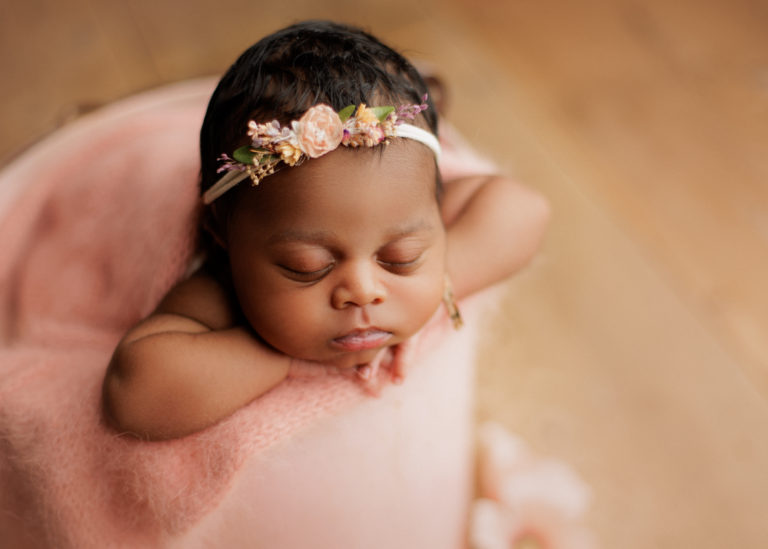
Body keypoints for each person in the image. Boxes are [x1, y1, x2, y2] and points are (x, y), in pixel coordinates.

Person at [102, 20, 549, 440]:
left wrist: (440, 286)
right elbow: (134, 394)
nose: (364, 290)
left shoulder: (400, 194)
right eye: (307, 267)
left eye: (401, 258)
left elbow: (525, 210)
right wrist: (281, 360)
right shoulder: (220, 289)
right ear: (224, 236)